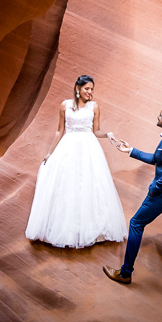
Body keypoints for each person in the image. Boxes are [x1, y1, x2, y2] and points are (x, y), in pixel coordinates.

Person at [25, 74, 128, 248]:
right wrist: (50, 153)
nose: (90, 92)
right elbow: (60, 131)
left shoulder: (94, 107)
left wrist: (108, 134)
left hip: (89, 149)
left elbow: (96, 131)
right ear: (78, 88)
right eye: (87, 88)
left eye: (92, 89)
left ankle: (88, 228)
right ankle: (66, 228)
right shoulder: (65, 106)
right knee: (67, 186)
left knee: (89, 186)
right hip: (68, 148)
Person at [103, 104, 162, 300]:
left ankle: (125, 274)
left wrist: (154, 189)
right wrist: (130, 150)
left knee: (135, 223)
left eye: (160, 115)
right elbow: (157, 159)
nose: (157, 116)